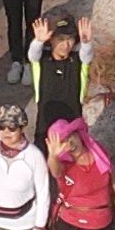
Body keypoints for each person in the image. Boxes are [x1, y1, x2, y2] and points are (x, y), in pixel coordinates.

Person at [27, 10, 94, 140]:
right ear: (50, 40)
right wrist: (38, 41)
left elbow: (87, 55)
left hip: (73, 129)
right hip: (45, 129)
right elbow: (32, 55)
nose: (66, 44)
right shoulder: (42, 61)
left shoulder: (78, 61)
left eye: (70, 39)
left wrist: (86, 43)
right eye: (60, 39)